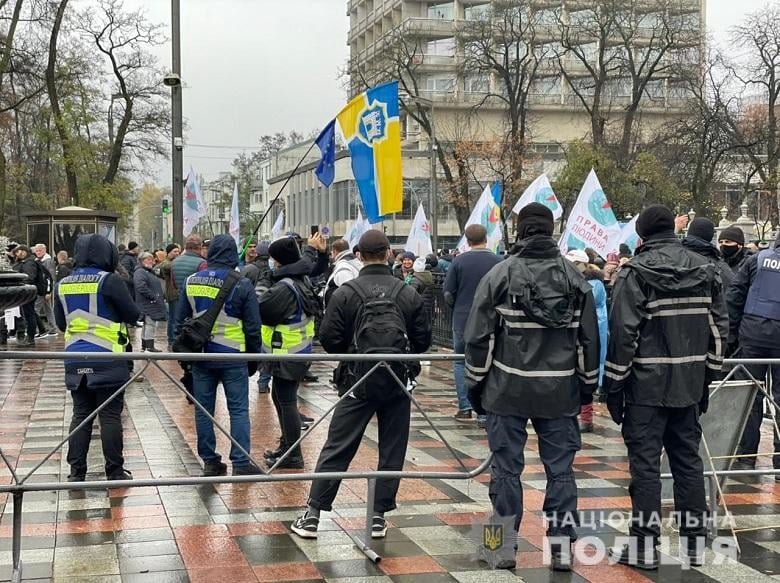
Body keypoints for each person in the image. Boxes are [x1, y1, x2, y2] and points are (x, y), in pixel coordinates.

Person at [464, 203, 600, 570]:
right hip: (560, 392)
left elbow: (479, 339)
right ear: (551, 229)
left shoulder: (500, 275)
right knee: (561, 472)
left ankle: (499, 549)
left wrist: (475, 386)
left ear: (521, 230)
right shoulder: (576, 279)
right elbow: (589, 342)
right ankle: (560, 552)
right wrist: (586, 388)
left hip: (505, 390)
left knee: (505, 472)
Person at [604, 205, 728, 570]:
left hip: (646, 387)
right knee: (688, 463)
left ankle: (644, 546)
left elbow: (623, 336)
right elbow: (719, 330)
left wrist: (613, 386)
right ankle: (694, 545)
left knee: (645, 467)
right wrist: (707, 375)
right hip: (688, 384)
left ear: (641, 235)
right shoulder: (706, 271)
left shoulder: (635, 274)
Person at [290, 230, 431, 539]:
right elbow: (423, 341)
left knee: (338, 446)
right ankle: (378, 516)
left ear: (359, 255)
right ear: (389, 254)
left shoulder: (346, 292)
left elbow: (329, 340)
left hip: (357, 379)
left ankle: (313, 514)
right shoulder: (407, 292)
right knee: (392, 449)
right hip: (397, 380)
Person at [54, 234, 139, 481]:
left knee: (81, 414)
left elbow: (60, 323)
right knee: (110, 415)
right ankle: (114, 470)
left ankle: (76, 471)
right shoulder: (110, 281)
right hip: (108, 357)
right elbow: (133, 315)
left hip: (75, 357)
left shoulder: (64, 283)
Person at [176, 234, 263, 476]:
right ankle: (241, 462)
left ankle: (210, 461)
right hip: (233, 356)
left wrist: (184, 355)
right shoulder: (242, 283)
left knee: (204, 409)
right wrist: (254, 358)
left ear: (210, 252)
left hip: (201, 356)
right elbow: (253, 328)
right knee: (238, 410)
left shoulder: (192, 281)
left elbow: (179, 321)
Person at [259, 235, 322, 469]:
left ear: (279, 261)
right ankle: (287, 447)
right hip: (296, 351)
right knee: (281, 398)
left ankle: (294, 454)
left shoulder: (284, 287)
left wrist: (264, 281)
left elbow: (262, 310)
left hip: (287, 353)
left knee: (286, 402)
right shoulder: (300, 279)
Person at [728, 231, 780, 472]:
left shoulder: (757, 260)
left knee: (749, 394)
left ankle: (747, 455)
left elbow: (735, 298)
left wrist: (732, 335)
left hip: (753, 335)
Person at [443, 224, 502, 423]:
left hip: (463, 319)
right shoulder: (498, 261)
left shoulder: (459, 262)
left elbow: (448, 293)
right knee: (491, 361)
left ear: (467, 241)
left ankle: (465, 407)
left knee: (461, 362)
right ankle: (485, 411)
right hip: (491, 320)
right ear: (486, 238)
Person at [564, 249, 607, 433]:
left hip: (594, 327)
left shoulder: (594, 283)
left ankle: (586, 418)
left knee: (587, 373)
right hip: (578, 330)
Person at [133, 252, 167, 352]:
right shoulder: (141, 272)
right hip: (147, 302)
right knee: (150, 324)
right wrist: (153, 297)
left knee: (148, 323)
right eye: (148, 259)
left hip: (149, 302)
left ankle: (145, 345)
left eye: (151, 259)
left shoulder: (147, 271)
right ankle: (149, 346)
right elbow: (141, 286)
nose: (151, 261)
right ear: (141, 261)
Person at [13, 246, 41, 347]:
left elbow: (30, 277)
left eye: (18, 252)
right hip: (26, 291)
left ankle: (30, 338)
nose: (17, 254)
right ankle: (30, 336)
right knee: (29, 314)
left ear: (24, 251)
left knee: (29, 315)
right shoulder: (26, 262)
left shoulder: (29, 263)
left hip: (27, 292)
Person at [323, 238, 362, 308]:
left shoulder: (343, 268)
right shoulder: (353, 262)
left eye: (332, 251)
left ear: (335, 251)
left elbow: (348, 295)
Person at [158, 244, 180, 348]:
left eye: (178, 252)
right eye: (174, 252)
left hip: (177, 294)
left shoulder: (173, 262)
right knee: (173, 318)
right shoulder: (166, 264)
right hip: (172, 294)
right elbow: (166, 267)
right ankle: (172, 339)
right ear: (168, 253)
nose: (177, 254)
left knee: (174, 317)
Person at [33, 244, 57, 336]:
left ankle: (35, 330)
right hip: (43, 289)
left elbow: (51, 277)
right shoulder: (38, 261)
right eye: (37, 251)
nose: (38, 252)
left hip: (43, 290)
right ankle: (53, 328)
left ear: (44, 250)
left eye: (40, 250)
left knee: (35, 309)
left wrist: (49, 291)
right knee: (48, 309)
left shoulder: (47, 262)